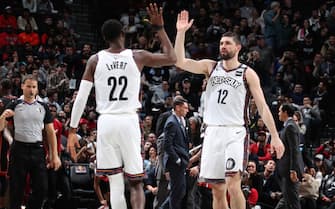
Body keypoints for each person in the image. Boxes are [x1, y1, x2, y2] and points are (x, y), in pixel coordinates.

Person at [66, 3, 176, 209]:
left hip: (106, 122)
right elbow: (172, 58)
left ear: (104, 37)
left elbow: (81, 97)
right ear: (123, 33)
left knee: (115, 182)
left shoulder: (95, 59)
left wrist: (72, 130)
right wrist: (159, 28)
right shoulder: (137, 56)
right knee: (135, 183)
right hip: (128, 120)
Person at [174, 10, 285, 209]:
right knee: (216, 189)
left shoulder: (247, 73)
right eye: (221, 43)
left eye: (227, 43)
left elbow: (262, 106)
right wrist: (181, 33)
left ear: (238, 47)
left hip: (235, 131)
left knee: (234, 183)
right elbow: (180, 62)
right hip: (212, 132)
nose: (223, 46)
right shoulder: (211, 66)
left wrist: (275, 136)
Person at [0, 75, 61, 209]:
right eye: (28, 86)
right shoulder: (14, 104)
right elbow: (1, 127)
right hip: (18, 149)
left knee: (42, 188)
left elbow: (50, 132)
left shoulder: (44, 106)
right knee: (16, 189)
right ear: (22, 86)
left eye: (34, 87)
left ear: (37, 89)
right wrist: (3, 117)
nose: (31, 90)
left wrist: (54, 155)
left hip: (37, 150)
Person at [160, 96, 189, 209]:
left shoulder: (180, 120)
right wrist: (177, 159)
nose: (187, 110)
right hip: (175, 163)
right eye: (185, 108)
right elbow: (167, 145)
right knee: (177, 192)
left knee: (179, 191)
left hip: (181, 161)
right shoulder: (171, 122)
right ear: (177, 107)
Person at [276, 103, 304, 209]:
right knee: (288, 202)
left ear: (285, 112)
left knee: (293, 202)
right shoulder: (289, 126)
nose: (278, 113)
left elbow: (294, 150)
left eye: (280, 111)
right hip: (287, 170)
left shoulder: (290, 126)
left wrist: (293, 170)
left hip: (290, 170)